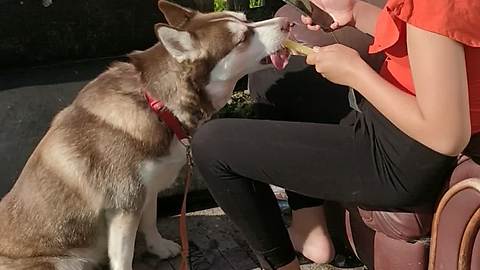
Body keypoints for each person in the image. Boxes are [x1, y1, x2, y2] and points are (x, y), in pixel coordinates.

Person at [191, 0, 480, 269]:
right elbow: (429, 38)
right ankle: (309, 230)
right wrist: (355, 12)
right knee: (276, 76)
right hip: (394, 127)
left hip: (399, 157)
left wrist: (355, 73)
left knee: (212, 145)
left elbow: (447, 135)